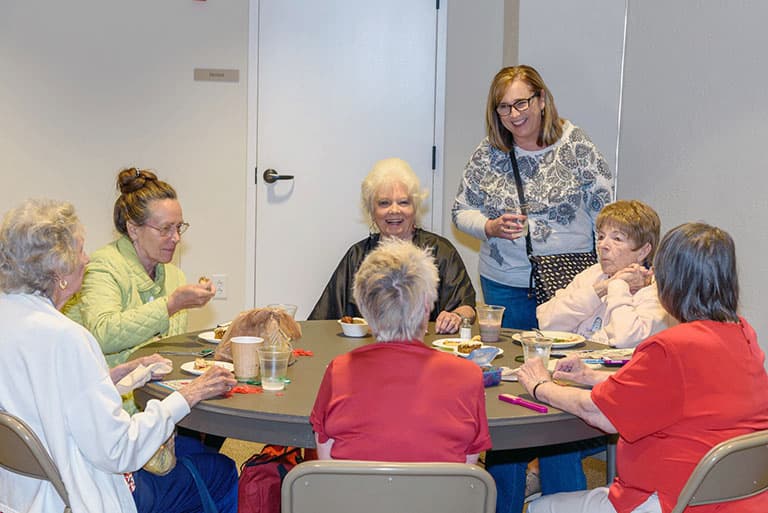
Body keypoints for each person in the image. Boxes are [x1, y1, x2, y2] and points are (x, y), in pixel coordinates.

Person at [0, 199, 239, 513]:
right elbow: (120, 450)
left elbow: (49, 399)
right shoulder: (67, 338)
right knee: (218, 471)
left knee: (191, 451)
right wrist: (188, 396)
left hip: (20, 496)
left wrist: (117, 376)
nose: (87, 260)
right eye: (81, 250)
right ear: (59, 269)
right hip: (78, 496)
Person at [519, 222, 768, 513]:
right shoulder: (741, 334)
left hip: (674, 499)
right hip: (738, 497)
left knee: (542, 507)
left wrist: (540, 386)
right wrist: (591, 376)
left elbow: (597, 413)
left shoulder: (671, 346)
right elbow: (679, 390)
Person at [452, 64, 614, 331]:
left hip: (570, 284)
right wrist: (489, 227)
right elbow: (460, 211)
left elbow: (605, 212)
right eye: (504, 107)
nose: (514, 114)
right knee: (509, 365)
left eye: (521, 103)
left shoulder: (576, 145)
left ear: (541, 100)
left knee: (564, 364)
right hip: (505, 286)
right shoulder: (488, 153)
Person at [310, 238, 492, 462]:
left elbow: (326, 463)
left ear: (365, 312)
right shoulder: (468, 375)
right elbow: (468, 471)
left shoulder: (339, 370)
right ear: (427, 308)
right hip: (439, 497)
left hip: (356, 496)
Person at [64, 167, 215, 368]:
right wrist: (171, 305)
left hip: (160, 388)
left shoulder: (174, 275)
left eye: (179, 227)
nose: (176, 238)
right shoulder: (103, 265)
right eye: (165, 229)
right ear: (133, 229)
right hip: (114, 392)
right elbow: (102, 333)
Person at [309, 157, 476, 334]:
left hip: (425, 353)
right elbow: (322, 319)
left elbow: (467, 308)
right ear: (371, 211)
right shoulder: (357, 256)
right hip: (366, 354)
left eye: (403, 202)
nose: (394, 210)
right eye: (384, 203)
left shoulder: (441, 252)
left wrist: (456, 317)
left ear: (415, 208)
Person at [537, 200, 675, 347]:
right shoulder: (593, 274)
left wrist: (618, 286)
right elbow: (547, 323)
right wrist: (602, 288)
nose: (602, 245)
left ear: (643, 251)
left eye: (617, 239)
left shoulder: (656, 290)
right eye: (601, 237)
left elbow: (625, 340)